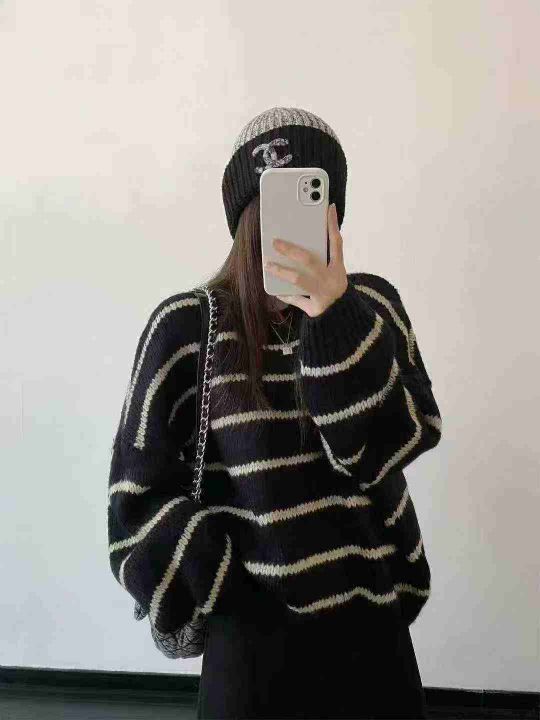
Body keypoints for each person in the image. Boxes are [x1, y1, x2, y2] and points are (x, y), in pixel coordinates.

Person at [107, 106, 442, 719]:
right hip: (250, 644)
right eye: (270, 203)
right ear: (243, 214)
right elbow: (136, 498)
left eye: (311, 197)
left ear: (334, 210)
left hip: (373, 626)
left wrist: (335, 319)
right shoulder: (187, 328)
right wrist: (221, 582)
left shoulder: (373, 309)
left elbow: (388, 449)